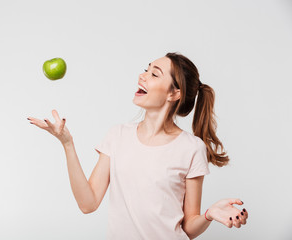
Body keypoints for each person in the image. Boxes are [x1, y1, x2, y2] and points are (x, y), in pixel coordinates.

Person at [27, 52, 249, 239]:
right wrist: (67, 143)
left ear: (174, 93)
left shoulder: (191, 148)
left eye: (154, 74)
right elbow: (88, 203)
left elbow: (189, 228)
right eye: (146, 69)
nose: (142, 76)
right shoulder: (117, 135)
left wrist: (209, 214)